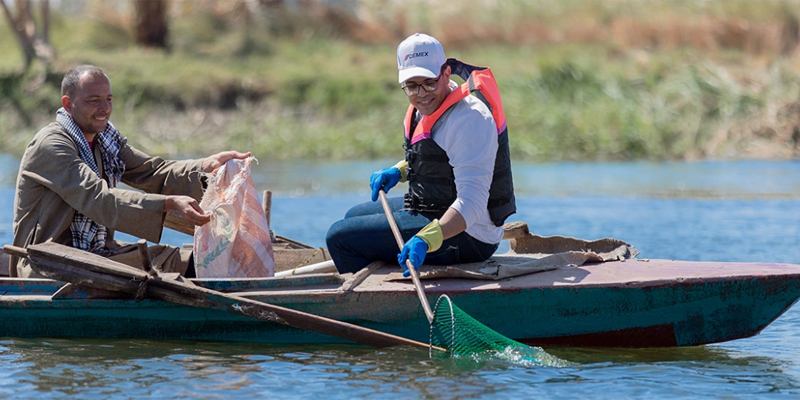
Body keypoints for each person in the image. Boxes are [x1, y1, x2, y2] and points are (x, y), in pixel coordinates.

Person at [11, 64, 251, 278]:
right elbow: (98, 199)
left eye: (109, 99)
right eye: (94, 101)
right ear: (68, 104)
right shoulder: (52, 145)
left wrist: (205, 166)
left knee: (177, 260)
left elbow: (153, 172)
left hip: (96, 252)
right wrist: (168, 203)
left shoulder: (105, 140)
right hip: (45, 262)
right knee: (166, 269)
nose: (104, 108)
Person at [325, 33, 515, 275]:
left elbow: (473, 201)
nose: (422, 93)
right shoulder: (423, 107)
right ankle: (392, 266)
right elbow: (439, 159)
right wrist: (400, 170)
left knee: (340, 238)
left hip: (470, 234)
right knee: (353, 216)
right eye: (412, 86)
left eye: (429, 82)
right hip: (434, 206)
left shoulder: (471, 119)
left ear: (446, 73)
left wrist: (427, 239)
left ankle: (378, 303)